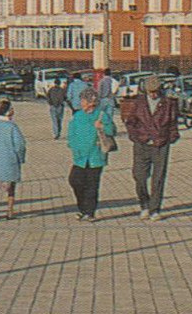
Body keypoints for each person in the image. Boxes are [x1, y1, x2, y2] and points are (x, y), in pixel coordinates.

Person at [123, 74, 180, 220]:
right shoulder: (139, 102)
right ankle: (144, 204)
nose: (153, 95)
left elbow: (173, 122)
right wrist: (135, 136)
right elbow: (130, 121)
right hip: (142, 143)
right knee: (139, 176)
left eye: (156, 91)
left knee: (158, 177)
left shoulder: (168, 103)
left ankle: (155, 209)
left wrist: (172, 137)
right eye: (150, 92)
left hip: (160, 143)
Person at [66, 89, 115, 220]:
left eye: (83, 100)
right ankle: (83, 208)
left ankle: (90, 212)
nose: (82, 103)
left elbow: (112, 130)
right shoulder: (77, 116)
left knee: (92, 185)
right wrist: (73, 146)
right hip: (80, 157)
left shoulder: (102, 115)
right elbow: (71, 134)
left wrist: (102, 126)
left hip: (96, 156)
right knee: (75, 181)